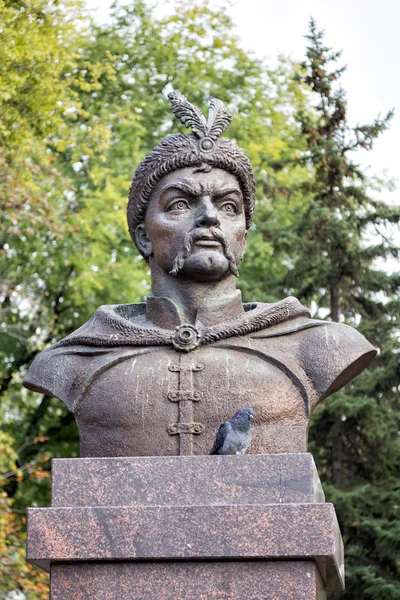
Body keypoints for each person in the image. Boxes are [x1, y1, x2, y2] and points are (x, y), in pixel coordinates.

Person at [23, 91, 376, 457]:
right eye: (180, 204)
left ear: (242, 237)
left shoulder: (317, 348)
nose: (209, 217)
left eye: (228, 206)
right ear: (144, 236)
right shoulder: (77, 361)